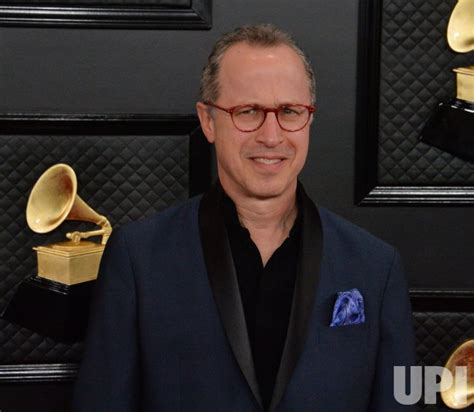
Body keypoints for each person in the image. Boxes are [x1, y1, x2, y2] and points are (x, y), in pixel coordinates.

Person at [72, 24, 415, 411]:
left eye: (289, 111)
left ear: (310, 119)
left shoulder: (377, 267)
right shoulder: (138, 259)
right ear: (207, 121)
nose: (272, 135)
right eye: (248, 111)